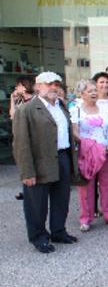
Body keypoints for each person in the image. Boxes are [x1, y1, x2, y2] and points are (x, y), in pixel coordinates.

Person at [13, 71, 78, 253]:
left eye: (56, 84)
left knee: (61, 199)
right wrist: (27, 172)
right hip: (39, 162)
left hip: (62, 157)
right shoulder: (26, 109)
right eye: (49, 84)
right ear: (38, 86)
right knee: (36, 203)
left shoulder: (61, 106)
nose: (53, 87)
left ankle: (58, 231)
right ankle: (39, 237)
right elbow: (21, 144)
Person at [70, 80, 108, 232]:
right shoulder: (76, 109)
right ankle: (86, 218)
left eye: (94, 90)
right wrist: (93, 146)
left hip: (106, 152)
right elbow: (75, 133)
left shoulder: (104, 108)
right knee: (86, 187)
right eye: (90, 91)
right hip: (87, 154)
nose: (94, 93)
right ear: (82, 93)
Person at [9, 75, 34, 201]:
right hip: (19, 137)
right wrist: (12, 100)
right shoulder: (19, 101)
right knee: (23, 164)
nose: (15, 88)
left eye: (18, 85)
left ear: (24, 87)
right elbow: (12, 115)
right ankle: (26, 190)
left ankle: (29, 191)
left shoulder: (35, 101)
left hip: (31, 139)